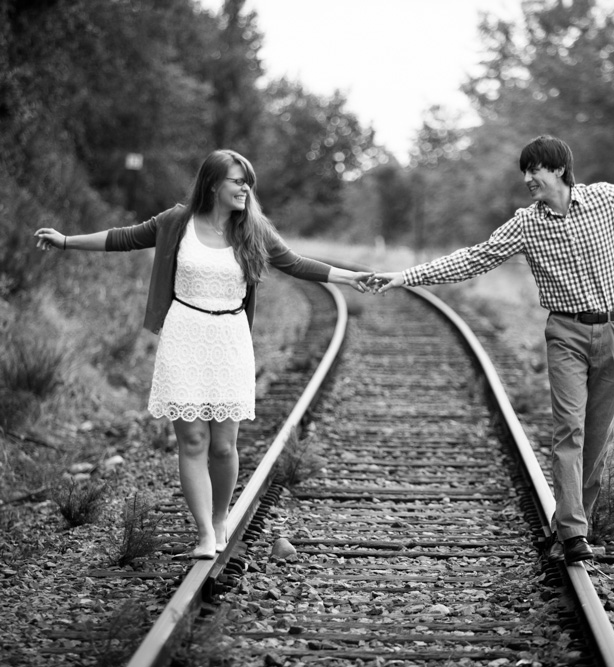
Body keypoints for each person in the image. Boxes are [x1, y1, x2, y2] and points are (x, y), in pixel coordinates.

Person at [372, 135, 614, 564]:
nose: (527, 179)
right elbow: (473, 259)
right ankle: (573, 534)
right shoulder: (526, 224)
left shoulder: (604, 200)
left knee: (597, 437)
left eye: (534, 170)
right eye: (524, 172)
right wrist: (404, 277)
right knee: (569, 430)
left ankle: (577, 520)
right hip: (566, 334)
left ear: (559, 169)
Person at [34, 149, 373, 559]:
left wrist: (350, 277)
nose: (245, 187)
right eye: (237, 180)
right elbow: (124, 238)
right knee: (192, 439)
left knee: (224, 445)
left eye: (248, 180)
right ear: (213, 184)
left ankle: (219, 518)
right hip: (184, 335)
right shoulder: (177, 222)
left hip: (230, 338)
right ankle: (204, 535)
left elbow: (295, 263)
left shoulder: (253, 230)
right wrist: (66, 241)